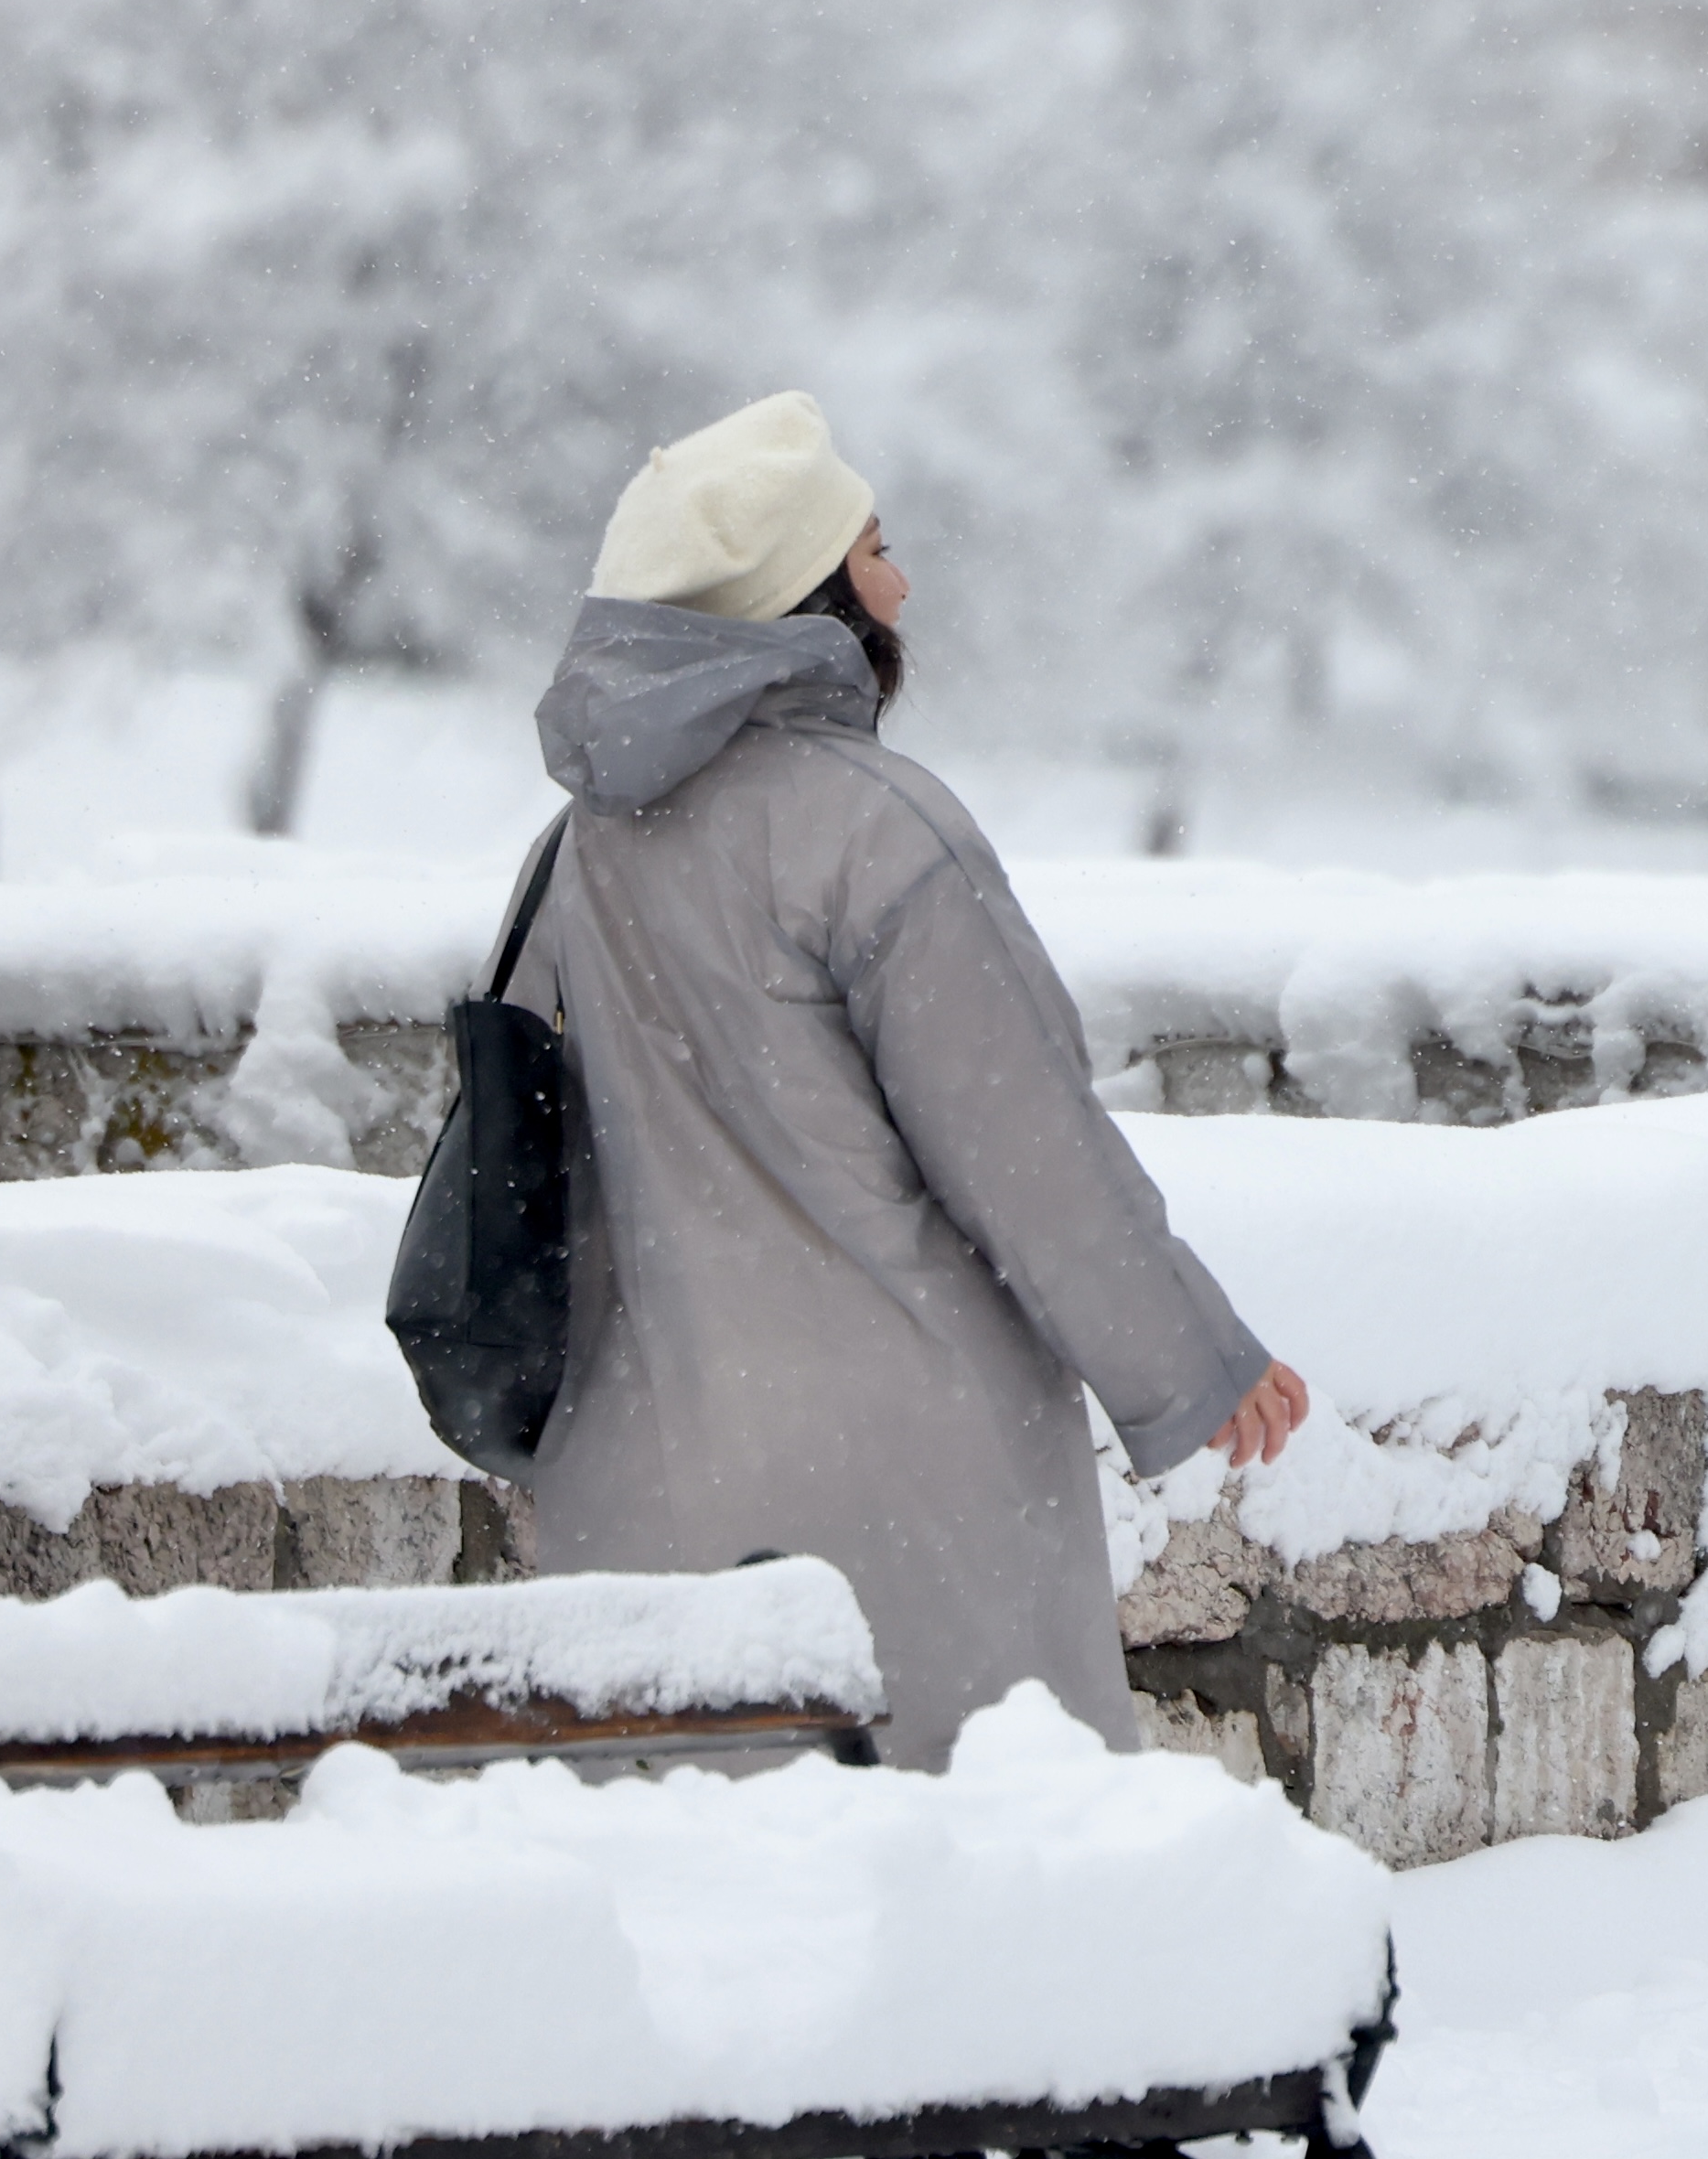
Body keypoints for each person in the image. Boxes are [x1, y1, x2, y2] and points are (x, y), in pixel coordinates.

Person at [519, 389, 1308, 1769]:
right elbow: (1024, 1146)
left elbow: (520, 1145)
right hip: (901, 1486)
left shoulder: (571, 856)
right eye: (873, 544)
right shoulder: (877, 829)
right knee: (966, 1897)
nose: (902, 574)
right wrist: (1188, 1360)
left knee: (694, 1918)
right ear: (809, 599)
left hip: (633, 1466)